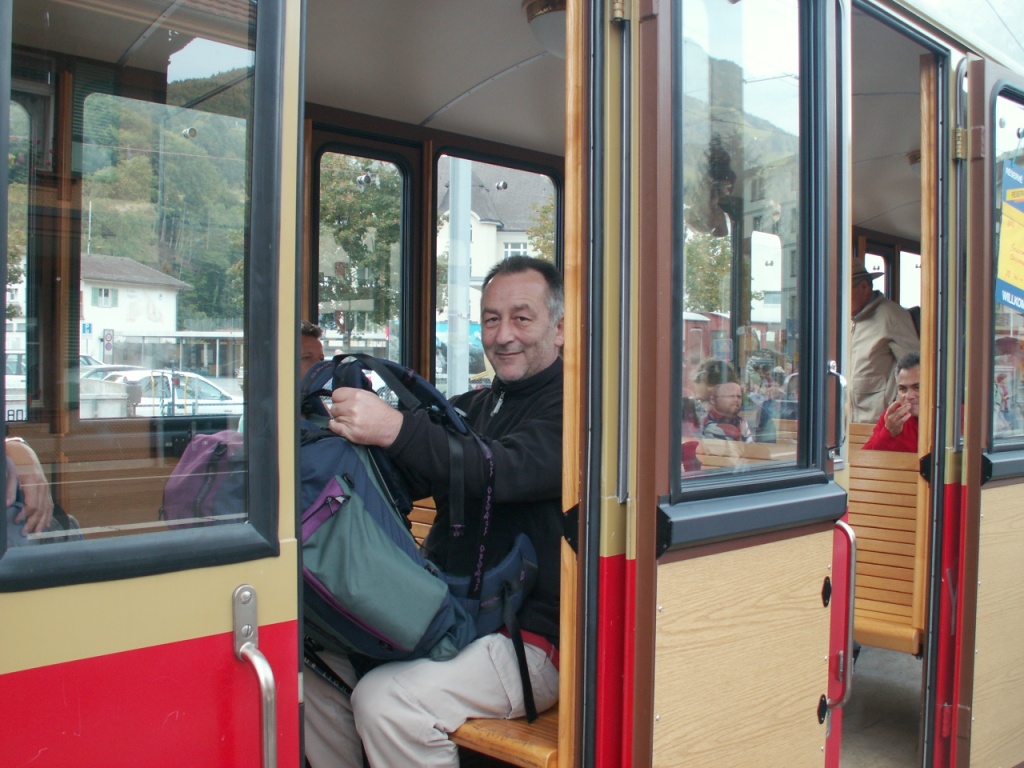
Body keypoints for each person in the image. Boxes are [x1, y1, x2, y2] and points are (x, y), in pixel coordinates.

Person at [303, 255, 564, 768]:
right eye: (491, 319)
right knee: (311, 663)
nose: (504, 335)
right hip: (449, 614)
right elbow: (408, 472)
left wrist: (394, 428)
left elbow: (499, 469)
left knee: (388, 701)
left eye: (522, 318)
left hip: (526, 640)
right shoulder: (475, 406)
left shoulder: (579, 412)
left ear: (559, 329)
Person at [850, 258, 919, 423]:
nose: (836, 297)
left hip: (878, 423)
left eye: (843, 289)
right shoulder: (845, 320)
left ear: (864, 287)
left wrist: (897, 412)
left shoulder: (892, 315)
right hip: (846, 424)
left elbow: (915, 368)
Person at [863, 352, 920, 452]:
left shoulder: (947, 418)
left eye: (917, 387)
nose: (909, 396)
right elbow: (868, 456)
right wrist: (889, 431)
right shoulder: (892, 416)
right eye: (903, 389)